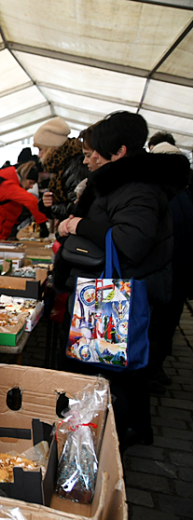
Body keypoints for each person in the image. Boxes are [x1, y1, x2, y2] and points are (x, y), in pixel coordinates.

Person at [55, 111, 190, 448]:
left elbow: (129, 242)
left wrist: (77, 225)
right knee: (123, 369)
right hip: (119, 291)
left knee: (116, 370)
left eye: (92, 153)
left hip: (118, 294)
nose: (87, 161)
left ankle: (121, 433)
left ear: (119, 152)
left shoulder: (137, 189)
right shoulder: (126, 184)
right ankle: (129, 428)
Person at [146, 142, 193, 395]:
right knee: (163, 327)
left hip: (170, 275)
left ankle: (153, 371)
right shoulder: (179, 194)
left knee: (160, 328)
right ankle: (155, 370)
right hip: (175, 275)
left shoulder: (166, 196)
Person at [0, 163, 49, 243]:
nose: (31, 187)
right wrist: (42, 223)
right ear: (24, 178)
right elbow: (32, 201)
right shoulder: (9, 186)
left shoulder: (7, 183)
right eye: (31, 182)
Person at [34, 117, 88, 221]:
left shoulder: (76, 166)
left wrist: (51, 207)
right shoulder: (62, 166)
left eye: (41, 149)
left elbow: (76, 207)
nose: (39, 155)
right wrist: (45, 203)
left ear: (53, 147)